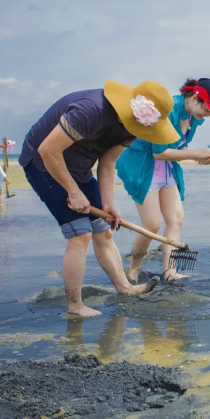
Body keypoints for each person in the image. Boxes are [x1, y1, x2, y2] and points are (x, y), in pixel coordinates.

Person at [19, 79, 178, 317]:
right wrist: (73, 191)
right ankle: (75, 306)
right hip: (43, 164)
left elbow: (108, 162)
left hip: (80, 168)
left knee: (104, 230)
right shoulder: (90, 110)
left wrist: (108, 203)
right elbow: (48, 150)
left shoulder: (133, 128)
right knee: (80, 234)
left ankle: (124, 287)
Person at [117, 78, 210, 283]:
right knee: (152, 224)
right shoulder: (169, 109)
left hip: (165, 167)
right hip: (142, 163)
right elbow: (159, 152)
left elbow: (179, 148)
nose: (208, 115)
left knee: (176, 219)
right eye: (207, 108)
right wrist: (195, 154)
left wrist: (202, 157)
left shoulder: (194, 118)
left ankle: (170, 271)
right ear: (195, 98)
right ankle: (133, 270)